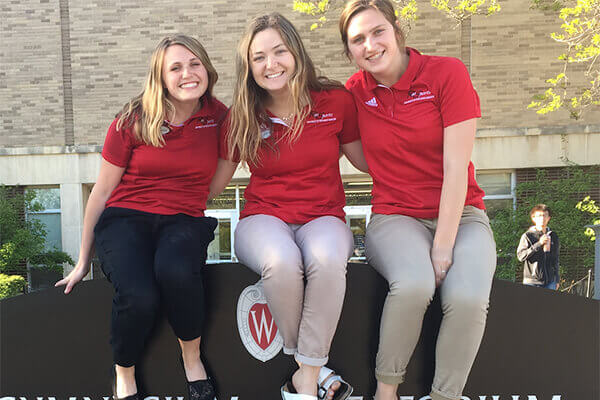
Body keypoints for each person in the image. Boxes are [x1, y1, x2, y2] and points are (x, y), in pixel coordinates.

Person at [55, 35, 228, 400]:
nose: (187, 73)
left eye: (195, 64)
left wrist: (186, 201)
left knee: (176, 271)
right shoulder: (133, 119)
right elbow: (101, 193)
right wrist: (82, 260)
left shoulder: (221, 118)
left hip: (183, 219)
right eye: (176, 68)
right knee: (139, 295)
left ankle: (192, 359)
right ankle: (125, 374)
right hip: (125, 219)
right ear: (161, 77)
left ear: (207, 68)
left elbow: (217, 181)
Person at [339, 1, 497, 400]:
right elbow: (354, 152)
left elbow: (456, 167)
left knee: (467, 297)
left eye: (378, 32)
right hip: (395, 217)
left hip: (462, 215)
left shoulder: (446, 73)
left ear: (396, 31)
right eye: (357, 40)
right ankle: (385, 392)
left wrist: (443, 246)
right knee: (413, 284)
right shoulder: (354, 92)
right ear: (349, 50)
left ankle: (445, 395)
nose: (370, 45)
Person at [220, 12, 368, 400]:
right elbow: (212, 182)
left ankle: (303, 381)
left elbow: (368, 161)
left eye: (279, 51)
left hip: (323, 216)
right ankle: (313, 369)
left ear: (296, 52)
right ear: (248, 67)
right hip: (263, 218)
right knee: (283, 262)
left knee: (327, 259)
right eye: (258, 57)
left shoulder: (335, 101)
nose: (271, 64)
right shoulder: (242, 115)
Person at [517, 204, 560, 290]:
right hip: (532, 281)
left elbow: (555, 259)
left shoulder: (553, 236)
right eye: (539, 216)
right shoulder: (528, 236)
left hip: (550, 282)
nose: (542, 219)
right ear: (533, 218)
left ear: (548, 218)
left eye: (545, 216)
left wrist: (557, 279)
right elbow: (521, 256)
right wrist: (539, 244)